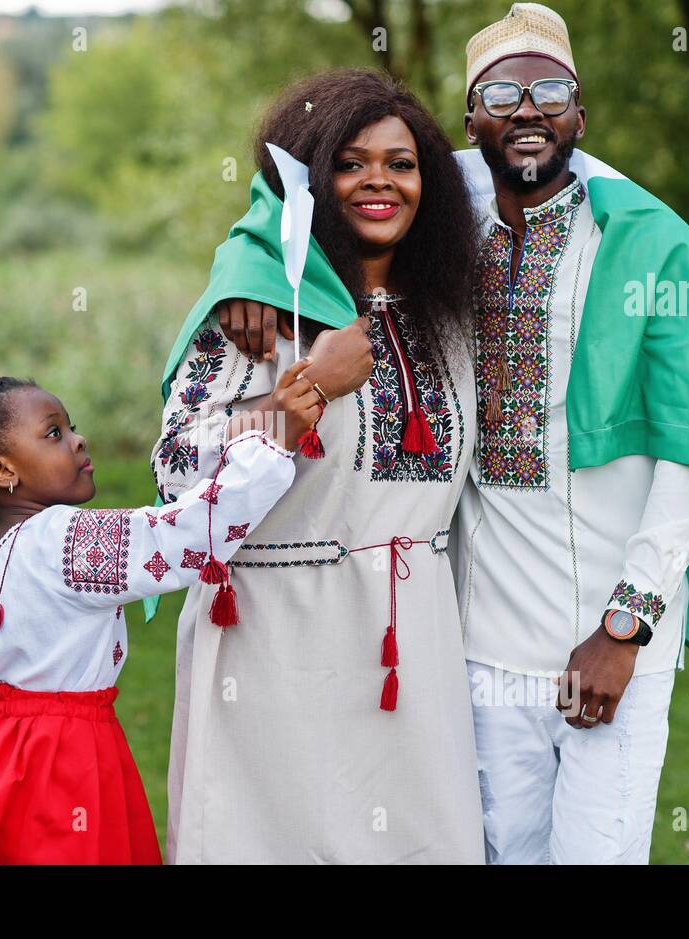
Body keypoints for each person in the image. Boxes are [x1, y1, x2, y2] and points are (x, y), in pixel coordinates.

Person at [452, 2, 689, 863]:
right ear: (471, 121)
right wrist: (242, 280)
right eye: (502, 92)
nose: (527, 108)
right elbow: (294, 209)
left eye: (550, 90)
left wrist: (625, 626)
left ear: (580, 118)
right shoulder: (435, 234)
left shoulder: (647, 242)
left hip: (611, 643)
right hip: (483, 641)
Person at [150, 68, 485, 863]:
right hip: (275, 638)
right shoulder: (257, 313)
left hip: (412, 640)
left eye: (401, 164)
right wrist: (307, 389)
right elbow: (174, 470)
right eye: (351, 161)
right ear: (309, 178)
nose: (379, 181)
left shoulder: (450, 313)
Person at [0, 357, 316, 863]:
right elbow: (181, 536)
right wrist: (268, 441)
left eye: (71, 427)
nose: (78, 440)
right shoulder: (66, 539)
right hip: (65, 767)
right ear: (3, 471)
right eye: (53, 434)